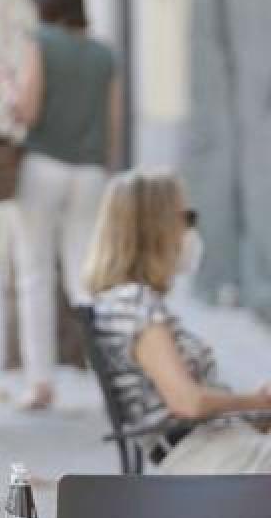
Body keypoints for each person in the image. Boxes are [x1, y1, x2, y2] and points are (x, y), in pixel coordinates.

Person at [87, 170, 271, 473]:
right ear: (154, 227)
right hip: (210, 456)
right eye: (186, 217)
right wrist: (256, 401)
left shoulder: (124, 303)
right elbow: (188, 403)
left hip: (220, 446)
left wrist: (257, 410)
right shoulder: (133, 304)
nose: (191, 230)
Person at [8, 0, 122, 410]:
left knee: (35, 273)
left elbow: (29, 111)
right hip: (91, 172)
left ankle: (40, 383)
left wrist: (12, 90)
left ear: (47, 8)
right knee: (86, 279)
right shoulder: (104, 54)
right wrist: (102, 166)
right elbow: (113, 123)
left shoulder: (41, 42)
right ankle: (107, 379)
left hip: (43, 167)